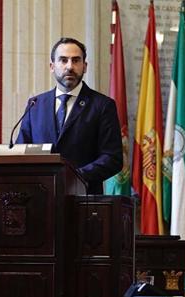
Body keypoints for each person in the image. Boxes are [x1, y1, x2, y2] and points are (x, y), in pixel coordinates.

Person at [16, 37, 122, 194]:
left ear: (85, 66)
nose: (70, 67)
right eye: (63, 60)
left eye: (76, 60)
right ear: (52, 66)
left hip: (83, 200)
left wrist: (75, 176)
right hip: (39, 198)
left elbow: (112, 158)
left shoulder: (102, 105)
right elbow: (21, 151)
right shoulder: (35, 105)